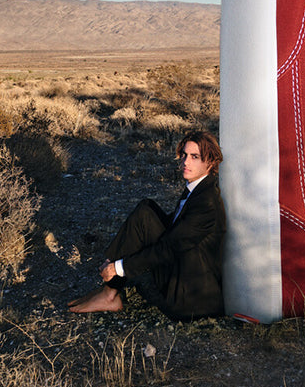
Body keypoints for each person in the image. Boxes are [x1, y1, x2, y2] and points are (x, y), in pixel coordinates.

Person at [68, 130, 226, 320]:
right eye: (184, 155)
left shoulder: (206, 202)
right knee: (146, 210)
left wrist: (119, 267)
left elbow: (169, 248)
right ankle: (109, 290)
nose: (185, 162)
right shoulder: (198, 189)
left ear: (210, 162)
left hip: (191, 301)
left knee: (146, 220)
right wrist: (115, 261)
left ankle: (109, 292)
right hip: (185, 274)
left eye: (195, 157)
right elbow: (173, 227)